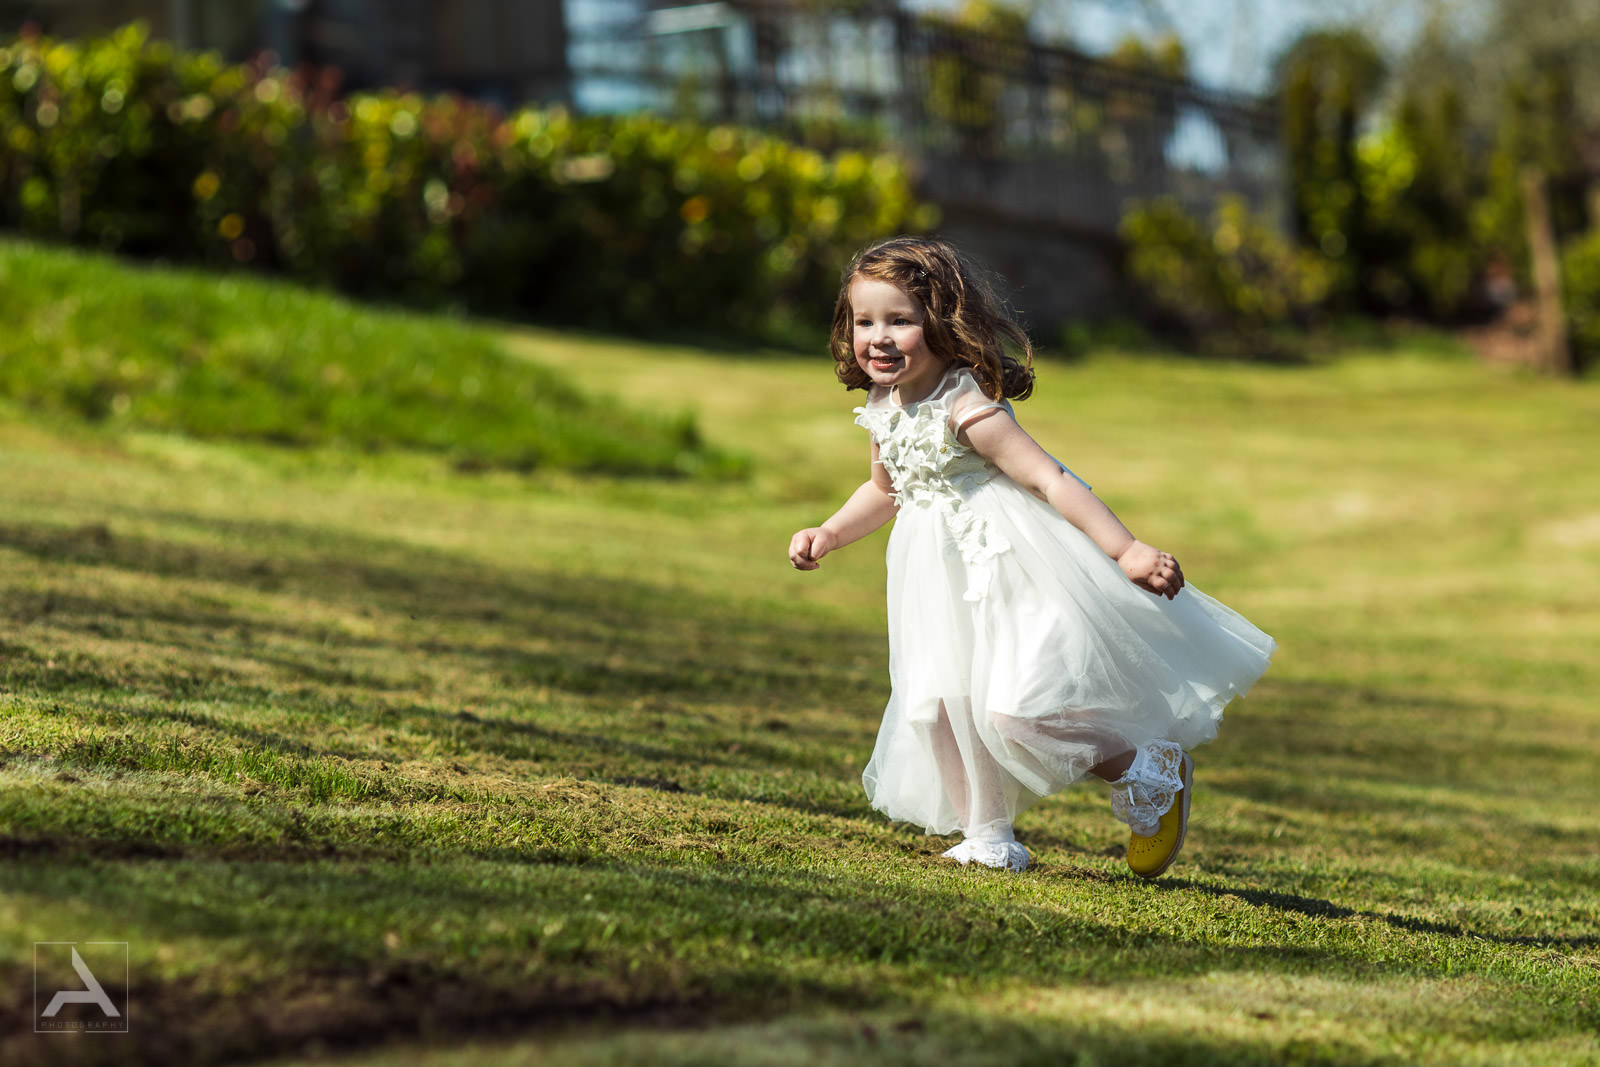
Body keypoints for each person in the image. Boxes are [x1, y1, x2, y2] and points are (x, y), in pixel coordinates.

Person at [788, 236, 1275, 878]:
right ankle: (987, 835)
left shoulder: (965, 406)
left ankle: (1150, 769)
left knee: (1017, 712)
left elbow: (1050, 479)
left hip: (1008, 569)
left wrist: (1125, 548)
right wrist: (829, 531)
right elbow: (886, 491)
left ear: (939, 323)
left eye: (899, 320)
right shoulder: (884, 407)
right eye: (865, 321)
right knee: (934, 706)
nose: (878, 337)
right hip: (935, 580)